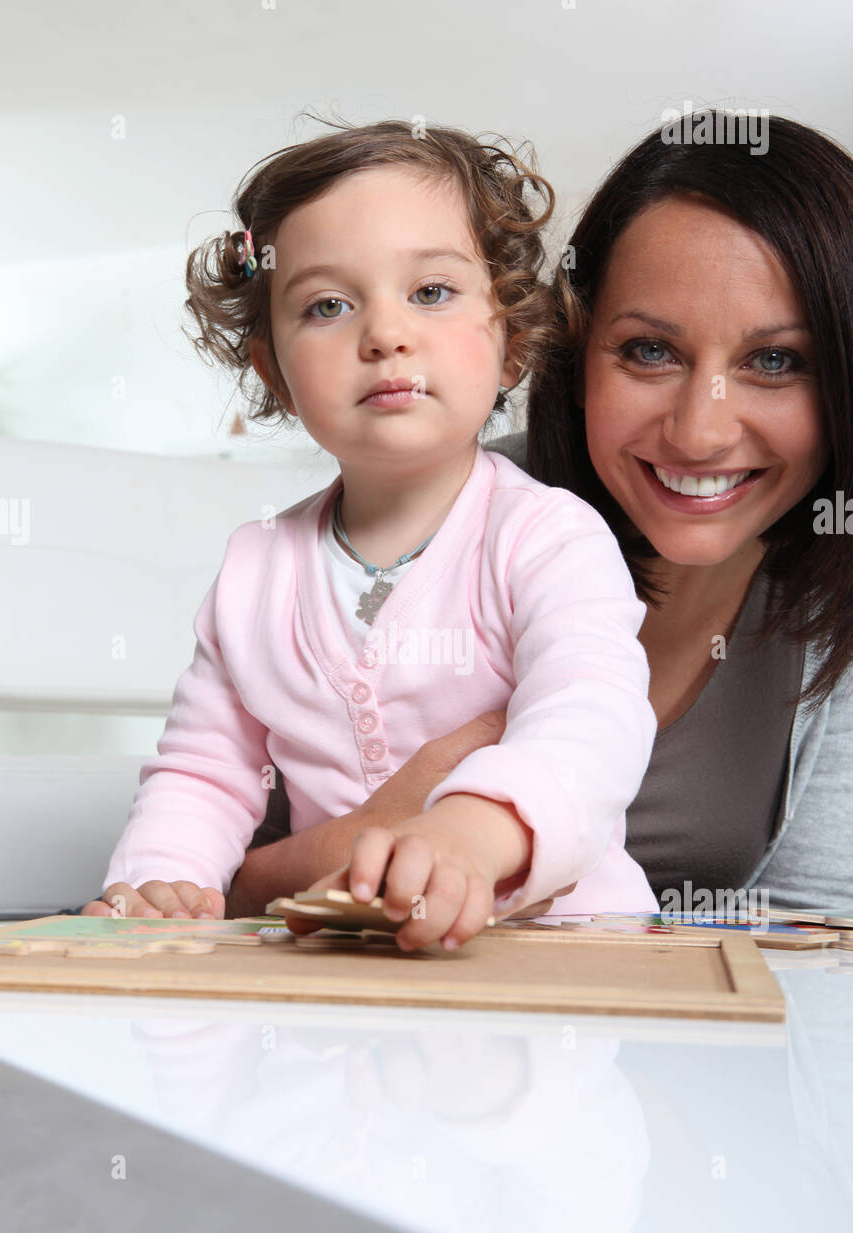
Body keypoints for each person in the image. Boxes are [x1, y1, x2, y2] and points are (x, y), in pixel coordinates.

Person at [226, 110, 853, 921]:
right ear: (568, 341)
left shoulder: (833, 594)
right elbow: (223, 880)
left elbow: (819, 953)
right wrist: (377, 837)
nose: (701, 431)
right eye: (649, 351)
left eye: (775, 361)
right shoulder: (434, 501)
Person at [80, 117, 659, 947]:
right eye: (328, 305)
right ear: (273, 371)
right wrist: (161, 881)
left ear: (511, 338)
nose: (385, 334)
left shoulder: (550, 539)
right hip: (349, 959)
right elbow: (203, 771)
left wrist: (472, 833)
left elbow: (591, 715)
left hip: (560, 942)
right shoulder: (255, 569)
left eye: (431, 292)